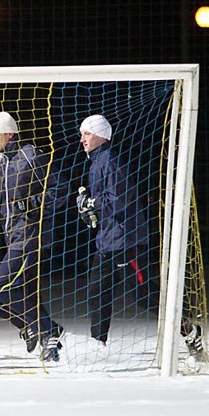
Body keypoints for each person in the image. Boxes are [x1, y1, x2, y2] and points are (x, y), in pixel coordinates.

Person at [0, 112, 65, 362]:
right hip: (13, 234)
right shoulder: (2, 161)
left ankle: (46, 328)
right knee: (27, 291)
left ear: (10, 134)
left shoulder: (31, 156)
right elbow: (10, 200)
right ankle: (47, 338)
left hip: (32, 235)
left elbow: (59, 191)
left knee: (1, 287)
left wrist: (31, 204)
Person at [76, 115, 150, 346]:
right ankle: (98, 342)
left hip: (126, 241)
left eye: (87, 133)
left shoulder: (109, 160)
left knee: (144, 296)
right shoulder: (96, 162)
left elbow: (119, 200)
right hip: (107, 240)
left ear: (101, 135)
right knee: (97, 292)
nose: (82, 140)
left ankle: (187, 327)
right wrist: (90, 209)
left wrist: (93, 204)